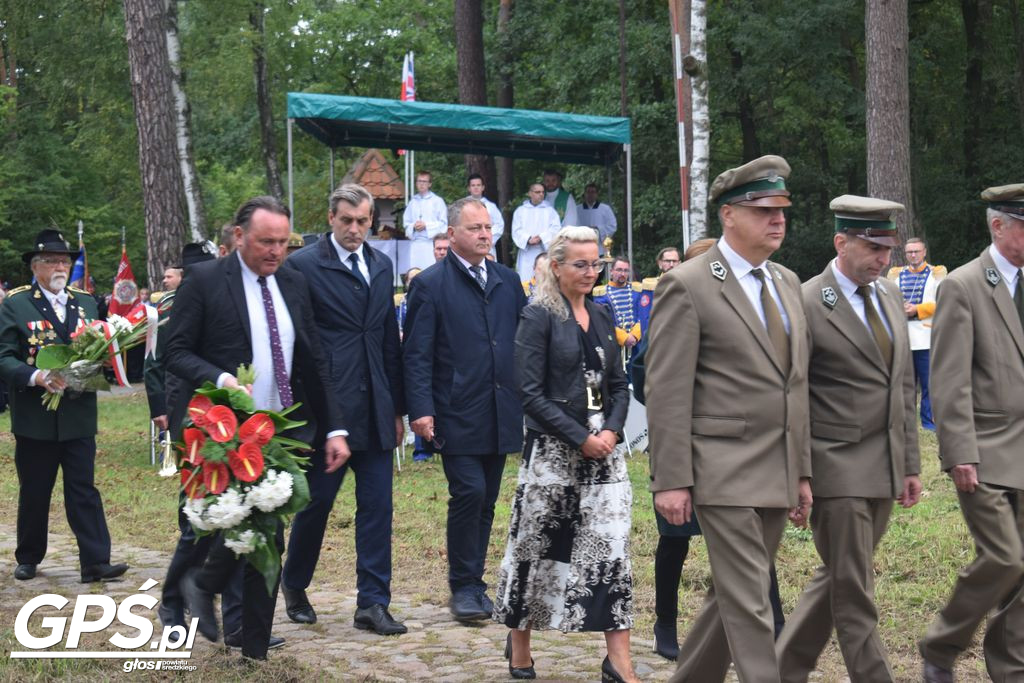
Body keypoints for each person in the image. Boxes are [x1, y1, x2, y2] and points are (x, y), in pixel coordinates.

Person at [646, 155, 812, 682]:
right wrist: (671, 479)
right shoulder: (689, 284)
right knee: (751, 603)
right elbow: (667, 388)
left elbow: (795, 385)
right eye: (763, 209)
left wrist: (802, 470)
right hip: (721, 469)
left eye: (782, 209)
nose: (777, 220)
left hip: (776, 467)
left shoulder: (786, 281)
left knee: (736, 594)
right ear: (728, 215)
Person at [166, 196, 349, 660]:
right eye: (266, 241)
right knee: (215, 526)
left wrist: (334, 428)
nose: (275, 251)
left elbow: (313, 360)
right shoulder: (206, 281)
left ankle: (253, 647)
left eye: (283, 243)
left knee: (267, 534)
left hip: (280, 430)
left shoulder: (293, 281)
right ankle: (184, 604)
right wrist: (223, 380)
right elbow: (176, 352)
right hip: (222, 430)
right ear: (239, 236)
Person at [776, 195, 922, 682]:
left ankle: (784, 668)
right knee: (855, 589)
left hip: (882, 467)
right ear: (841, 242)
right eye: (872, 248)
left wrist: (909, 463)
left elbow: (903, 384)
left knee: (840, 575)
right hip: (835, 467)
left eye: (888, 248)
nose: (884, 259)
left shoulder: (888, 296)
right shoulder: (807, 299)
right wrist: (799, 471)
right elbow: (793, 393)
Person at [494, 226, 637, 683]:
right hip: (554, 455)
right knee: (536, 550)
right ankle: (520, 645)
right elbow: (530, 394)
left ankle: (619, 662)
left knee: (610, 553)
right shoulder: (538, 316)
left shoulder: (599, 312)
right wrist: (580, 436)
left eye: (595, 263)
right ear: (556, 266)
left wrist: (612, 430)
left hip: (605, 456)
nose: (591, 272)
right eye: (580, 264)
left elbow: (619, 384)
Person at [281, 183, 406, 635]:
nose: (355, 229)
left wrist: (398, 409)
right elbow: (297, 347)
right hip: (326, 408)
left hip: (375, 404)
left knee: (378, 507)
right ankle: (294, 584)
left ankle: (373, 602)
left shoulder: (381, 263)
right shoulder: (303, 266)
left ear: (372, 220)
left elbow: (388, 340)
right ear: (331, 219)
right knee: (315, 504)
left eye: (363, 221)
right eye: (347, 221)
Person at [403, 197, 528, 623]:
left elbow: (524, 340)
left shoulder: (508, 280)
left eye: (488, 227)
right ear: (452, 234)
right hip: (456, 409)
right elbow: (416, 353)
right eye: (475, 228)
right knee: (469, 493)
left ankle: (476, 583)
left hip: (500, 407)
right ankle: (463, 585)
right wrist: (420, 409)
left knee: (488, 499)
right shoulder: (431, 284)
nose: (484, 234)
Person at [919, 184, 1024, 683]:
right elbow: (949, 379)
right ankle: (942, 643)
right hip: (985, 451)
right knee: (1004, 557)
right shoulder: (962, 285)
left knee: (1022, 574)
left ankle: (1011, 669)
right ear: (998, 226)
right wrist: (958, 452)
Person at [0, 229, 128, 583]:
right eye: (53, 261)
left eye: (65, 260)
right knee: (36, 489)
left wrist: (105, 361)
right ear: (35, 266)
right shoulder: (16, 303)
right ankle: (28, 555)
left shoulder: (85, 301)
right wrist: (36, 376)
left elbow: (102, 345)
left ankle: (96, 561)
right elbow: (4, 357)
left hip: (77, 413)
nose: (61, 266)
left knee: (83, 488)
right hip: (36, 418)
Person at [887, 237, 944, 431]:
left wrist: (918, 309)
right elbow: (887, 300)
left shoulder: (937, 273)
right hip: (903, 337)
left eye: (916, 251)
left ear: (924, 252)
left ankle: (928, 422)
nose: (913, 255)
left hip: (926, 337)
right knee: (905, 384)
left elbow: (943, 302)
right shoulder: (895, 275)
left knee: (929, 383)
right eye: (909, 252)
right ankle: (906, 421)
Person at [512, 183, 561, 282]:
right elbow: (516, 230)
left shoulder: (550, 211)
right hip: (527, 252)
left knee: (544, 280)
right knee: (525, 280)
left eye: (543, 192)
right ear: (530, 193)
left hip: (543, 250)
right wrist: (528, 239)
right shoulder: (520, 211)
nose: (541, 194)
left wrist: (542, 237)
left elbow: (556, 229)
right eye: (537, 192)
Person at [592, 256, 642, 353]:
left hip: (636, 344)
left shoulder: (637, 291)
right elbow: (602, 321)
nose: (622, 274)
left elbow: (643, 315)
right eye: (619, 270)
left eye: (626, 270)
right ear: (611, 271)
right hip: (614, 345)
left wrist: (635, 335)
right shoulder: (602, 294)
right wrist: (624, 338)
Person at [404, 171, 448, 269]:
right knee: (415, 272)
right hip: (415, 244)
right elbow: (406, 223)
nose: (421, 184)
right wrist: (413, 226)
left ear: (430, 184)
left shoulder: (437, 201)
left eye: (424, 181)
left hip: (430, 243)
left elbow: (444, 223)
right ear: (416, 183)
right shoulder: (412, 202)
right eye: (419, 181)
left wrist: (426, 225)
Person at [636, 246, 681, 336]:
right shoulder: (651, 287)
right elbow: (645, 318)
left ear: (680, 263)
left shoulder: (686, 284)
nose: (671, 265)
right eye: (668, 261)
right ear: (660, 263)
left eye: (674, 261)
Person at [465, 173, 505, 256]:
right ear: (469, 188)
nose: (476, 187)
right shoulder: (463, 205)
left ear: (483, 187)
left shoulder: (491, 207)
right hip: (469, 245)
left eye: (478, 185)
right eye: (473, 185)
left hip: (486, 245)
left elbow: (499, 225)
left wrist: (486, 237)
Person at [577, 183, 617, 254]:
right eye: (588, 192)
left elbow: (612, 226)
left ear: (597, 194)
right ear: (584, 194)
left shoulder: (605, 209)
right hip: (582, 247)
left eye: (593, 192)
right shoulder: (577, 209)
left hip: (600, 249)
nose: (590, 195)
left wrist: (597, 229)